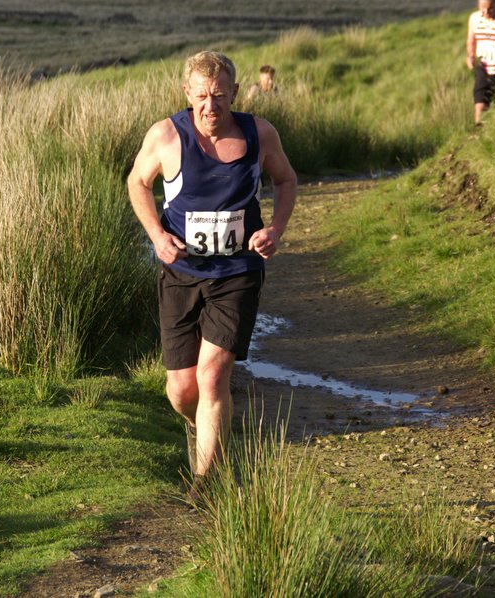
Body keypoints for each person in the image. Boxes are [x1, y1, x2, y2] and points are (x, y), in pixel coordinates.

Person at [127, 51, 296, 498]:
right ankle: (208, 431)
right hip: (181, 272)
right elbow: (137, 183)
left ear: (235, 93)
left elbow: (286, 180)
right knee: (183, 391)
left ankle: (206, 485)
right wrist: (157, 235)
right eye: (201, 96)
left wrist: (275, 230)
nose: (210, 106)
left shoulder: (260, 134)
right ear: (187, 93)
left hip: (238, 271)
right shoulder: (166, 135)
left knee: (213, 375)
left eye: (219, 96)